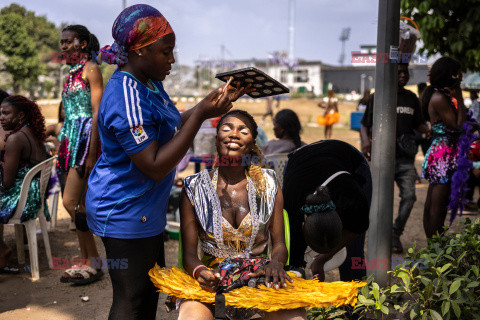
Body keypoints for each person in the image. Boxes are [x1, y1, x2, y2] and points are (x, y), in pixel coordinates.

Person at [85, 5, 251, 319]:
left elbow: (171, 125)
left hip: (144, 208)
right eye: (165, 52)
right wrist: (201, 114)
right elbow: (155, 163)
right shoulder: (125, 94)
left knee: (148, 291)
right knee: (131, 297)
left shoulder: (150, 84)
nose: (172, 60)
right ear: (139, 51)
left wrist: (206, 109)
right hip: (122, 208)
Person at [177, 109, 306, 320]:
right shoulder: (193, 187)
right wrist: (201, 271)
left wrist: (276, 264)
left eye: (243, 130)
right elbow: (189, 253)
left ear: (253, 141)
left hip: (259, 279)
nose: (234, 134)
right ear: (217, 138)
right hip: (211, 283)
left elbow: (280, 244)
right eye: (226, 128)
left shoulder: (269, 183)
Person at [360, 63, 429, 253]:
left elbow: (419, 125)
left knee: (409, 196)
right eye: (398, 72)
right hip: (381, 159)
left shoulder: (412, 98)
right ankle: (378, 238)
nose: (402, 75)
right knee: (377, 200)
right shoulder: (377, 97)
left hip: (405, 159)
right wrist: (366, 142)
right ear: (390, 74)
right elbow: (364, 125)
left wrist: (432, 129)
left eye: (405, 72)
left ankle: (395, 233)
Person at [283, 140, 371, 282]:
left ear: (339, 219)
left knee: (353, 252)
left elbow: (356, 228)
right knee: (294, 253)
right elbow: (292, 262)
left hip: (348, 157)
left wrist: (322, 260)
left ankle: (357, 297)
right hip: (300, 160)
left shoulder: (354, 199)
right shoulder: (291, 206)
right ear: (303, 226)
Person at [57, 24, 104, 285]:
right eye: (61, 42)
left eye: (68, 41)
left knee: (69, 202)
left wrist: (91, 153)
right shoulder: (70, 73)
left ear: (83, 44)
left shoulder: (91, 69)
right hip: (69, 140)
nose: (63, 46)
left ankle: (95, 261)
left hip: (85, 141)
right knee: (80, 206)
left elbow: (97, 112)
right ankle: (87, 260)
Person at [0, 95, 49, 273]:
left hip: (22, 200)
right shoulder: (31, 134)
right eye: (0, 113)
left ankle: (2, 250)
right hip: (32, 196)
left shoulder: (16, 139)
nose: (1, 117)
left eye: (6, 113)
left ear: (20, 116)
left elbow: (7, 184)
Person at [421, 57, 465, 238]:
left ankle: (433, 249)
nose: (461, 76)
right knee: (437, 209)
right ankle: (434, 251)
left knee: (434, 204)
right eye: (458, 72)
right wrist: (460, 97)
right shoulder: (439, 97)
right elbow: (458, 125)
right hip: (444, 154)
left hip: (443, 151)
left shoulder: (440, 95)